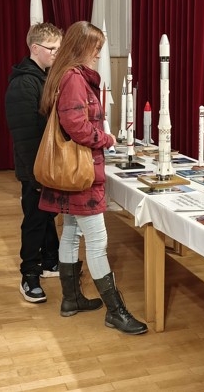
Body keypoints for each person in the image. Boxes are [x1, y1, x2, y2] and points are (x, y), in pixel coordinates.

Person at [38, 21, 147, 335]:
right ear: (81, 47)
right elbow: (76, 125)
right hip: (81, 173)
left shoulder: (66, 75)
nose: (98, 54)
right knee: (97, 243)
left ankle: (71, 300)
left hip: (74, 173)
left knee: (72, 233)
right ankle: (116, 312)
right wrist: (107, 139)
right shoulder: (74, 78)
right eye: (96, 48)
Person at [5, 23, 64, 303]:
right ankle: (29, 274)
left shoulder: (44, 76)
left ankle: (51, 261)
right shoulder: (23, 83)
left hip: (47, 165)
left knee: (45, 215)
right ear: (35, 48)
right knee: (34, 219)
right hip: (35, 168)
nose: (56, 54)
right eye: (52, 49)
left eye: (59, 49)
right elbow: (25, 136)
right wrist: (36, 175)